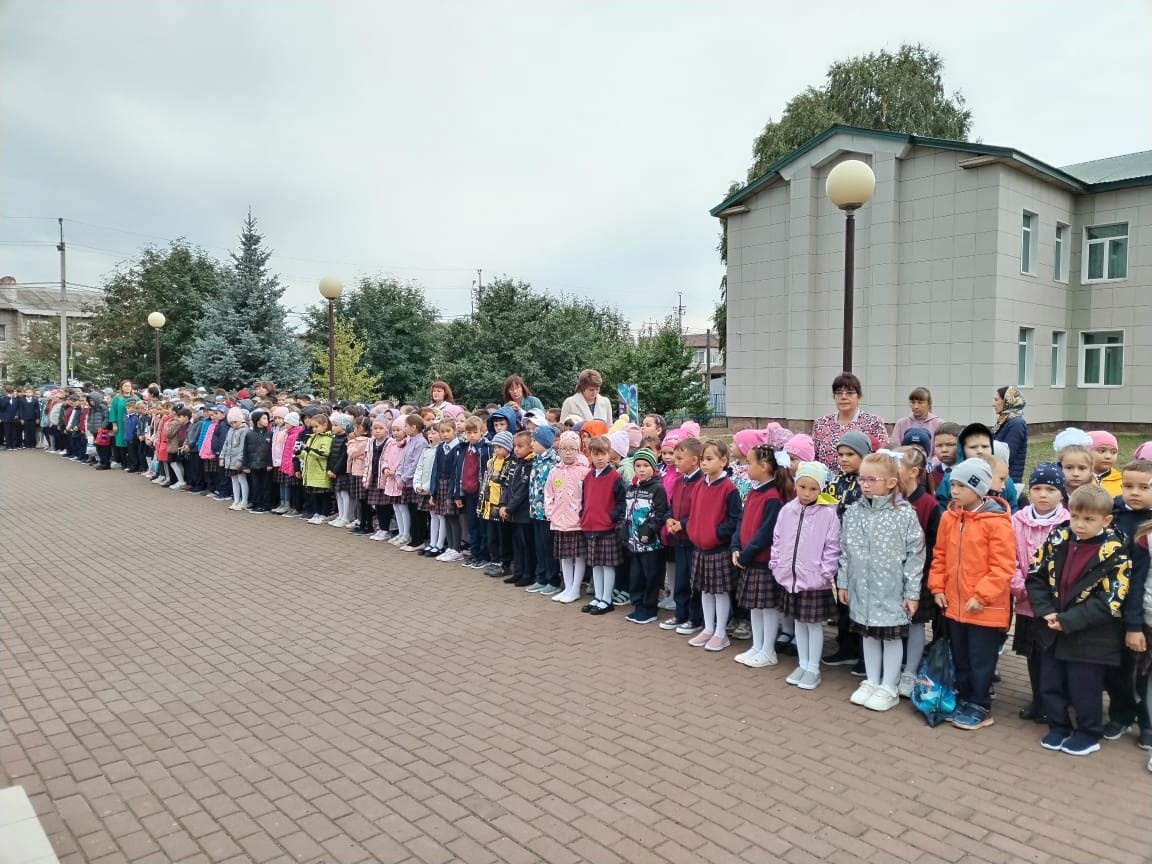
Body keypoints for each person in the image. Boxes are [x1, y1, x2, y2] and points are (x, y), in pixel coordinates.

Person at [1027, 484, 1131, 756]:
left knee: (1084, 687)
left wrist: (1069, 620)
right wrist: (1045, 610)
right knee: (1050, 683)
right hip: (1052, 628)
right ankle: (1058, 726)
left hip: (1091, 636)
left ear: (1106, 520)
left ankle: (1088, 733)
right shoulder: (1058, 538)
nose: (1079, 524)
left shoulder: (1115, 551)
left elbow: (1111, 599)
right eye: (1074, 517)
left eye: (1088, 519)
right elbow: (1036, 574)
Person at [929, 457, 1015, 731]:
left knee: (981, 660)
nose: (954, 491)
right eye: (952, 484)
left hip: (982, 608)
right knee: (961, 656)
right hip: (955, 605)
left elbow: (1003, 566)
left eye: (961, 486)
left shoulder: (996, 522)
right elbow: (940, 555)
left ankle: (981, 705)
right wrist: (937, 587)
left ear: (978, 488)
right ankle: (965, 698)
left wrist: (982, 596)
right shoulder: (949, 517)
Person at [837, 451, 925, 711]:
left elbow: (915, 556)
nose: (864, 484)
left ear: (890, 482)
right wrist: (843, 582)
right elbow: (845, 550)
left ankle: (889, 685)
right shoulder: (854, 512)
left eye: (871, 479)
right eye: (861, 479)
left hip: (891, 591)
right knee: (869, 635)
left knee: (890, 638)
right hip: (862, 589)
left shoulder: (905, 515)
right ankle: (873, 680)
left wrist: (912, 593)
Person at [1011, 462, 1069, 723]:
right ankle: (1037, 699)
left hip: (1054, 606)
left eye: (1050, 489)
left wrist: (1050, 596)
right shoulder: (1017, 520)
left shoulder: (1067, 523)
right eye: (1037, 488)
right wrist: (1020, 587)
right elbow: (1008, 558)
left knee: (1051, 656)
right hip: (1026, 602)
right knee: (1033, 655)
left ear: (1061, 493)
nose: (1043, 494)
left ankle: (1053, 702)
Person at [1103, 459, 1152, 745]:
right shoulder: (1113, 514)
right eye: (1128, 486)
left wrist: (1133, 624)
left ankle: (1146, 724)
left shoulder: (1147, 529)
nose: (1135, 492)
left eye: (1144, 487)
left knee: (1143, 674)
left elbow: (1137, 581)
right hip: (1107, 610)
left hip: (1136, 613)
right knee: (1115, 670)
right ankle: (1120, 716)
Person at [685, 440, 742, 651]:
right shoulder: (700, 485)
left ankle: (720, 632)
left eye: (709, 459)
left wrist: (716, 533)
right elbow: (693, 513)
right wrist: (693, 530)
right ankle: (708, 628)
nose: (704, 463)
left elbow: (735, 519)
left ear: (723, 461)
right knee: (705, 590)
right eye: (702, 459)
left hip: (718, 548)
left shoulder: (729, 488)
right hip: (700, 547)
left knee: (720, 592)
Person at [894, 445, 942, 697]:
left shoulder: (928, 504)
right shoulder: (891, 499)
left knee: (914, 624)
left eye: (897, 466)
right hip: (891, 574)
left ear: (913, 471)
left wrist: (921, 571)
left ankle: (910, 672)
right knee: (893, 622)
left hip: (917, 576)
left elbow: (934, 546)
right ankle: (895, 668)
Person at [660, 437, 705, 635]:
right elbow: (671, 505)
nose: (675, 461)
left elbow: (701, 511)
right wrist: (669, 518)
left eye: (679, 458)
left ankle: (695, 618)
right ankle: (680, 613)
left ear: (694, 460)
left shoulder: (701, 482)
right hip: (678, 539)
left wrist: (684, 524)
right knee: (680, 579)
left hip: (693, 540)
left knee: (694, 581)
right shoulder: (679, 481)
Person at [620, 447, 668, 624]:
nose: (641, 469)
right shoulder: (631, 489)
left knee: (651, 576)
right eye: (638, 465)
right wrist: (622, 528)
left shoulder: (657, 488)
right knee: (636, 576)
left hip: (650, 543)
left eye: (646, 466)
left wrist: (649, 529)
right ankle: (638, 605)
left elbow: (661, 513)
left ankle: (650, 608)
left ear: (653, 468)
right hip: (633, 543)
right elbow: (626, 512)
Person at [580, 435, 626, 615]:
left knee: (607, 565)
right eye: (595, 454)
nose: (599, 458)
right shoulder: (588, 477)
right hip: (590, 526)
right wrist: (583, 516)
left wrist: (610, 518)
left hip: (606, 528)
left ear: (609, 454)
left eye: (603, 454)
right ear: (590, 455)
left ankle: (607, 599)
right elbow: (585, 500)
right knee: (596, 565)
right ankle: (598, 597)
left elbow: (621, 503)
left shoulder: (615, 477)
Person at [545, 430, 590, 603]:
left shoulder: (584, 472)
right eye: (564, 449)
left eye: (572, 449)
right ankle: (567, 587)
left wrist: (583, 515)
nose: (568, 452)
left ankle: (575, 588)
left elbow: (588, 496)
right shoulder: (554, 472)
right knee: (564, 556)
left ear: (578, 450)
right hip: (559, 521)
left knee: (578, 555)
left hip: (577, 522)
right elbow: (548, 493)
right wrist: (551, 513)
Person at [811, 372, 887, 471]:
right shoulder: (821, 424)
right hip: (825, 479)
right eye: (839, 393)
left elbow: (882, 458)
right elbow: (813, 457)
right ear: (834, 396)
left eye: (850, 393)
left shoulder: (874, 422)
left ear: (859, 396)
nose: (844, 397)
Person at [525, 425, 560, 595]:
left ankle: (553, 580)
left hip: (548, 514)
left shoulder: (554, 462)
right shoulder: (537, 460)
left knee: (548, 547)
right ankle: (542, 577)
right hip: (536, 512)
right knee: (539, 546)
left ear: (544, 442)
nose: (531, 444)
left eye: (534, 440)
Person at [500, 430, 537, 587]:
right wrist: (503, 504)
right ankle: (518, 572)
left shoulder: (530, 464)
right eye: (515, 446)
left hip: (523, 513)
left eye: (520, 446)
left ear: (530, 446)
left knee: (526, 545)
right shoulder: (515, 462)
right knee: (517, 544)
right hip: (512, 513)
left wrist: (509, 508)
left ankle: (528, 574)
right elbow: (506, 485)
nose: (516, 449)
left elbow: (522, 491)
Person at [455, 417, 492, 569]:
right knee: (472, 526)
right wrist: (458, 494)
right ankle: (474, 553)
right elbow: (459, 472)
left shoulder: (486, 448)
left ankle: (484, 556)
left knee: (483, 527)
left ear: (481, 431)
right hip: (468, 493)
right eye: (468, 432)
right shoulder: (464, 449)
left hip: (481, 494)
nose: (471, 436)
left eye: (475, 432)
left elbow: (489, 471)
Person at [480, 430, 515, 578]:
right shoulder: (491, 462)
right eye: (494, 447)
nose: (496, 450)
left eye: (499, 447)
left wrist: (503, 504)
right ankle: (495, 560)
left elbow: (506, 485)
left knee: (503, 537)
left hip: (501, 506)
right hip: (489, 505)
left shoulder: (511, 463)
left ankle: (505, 563)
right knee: (492, 536)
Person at [396, 414, 429, 550]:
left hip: (414, 482)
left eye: (406, 426)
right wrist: (399, 475)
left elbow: (415, 463)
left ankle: (418, 540)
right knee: (411, 510)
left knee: (417, 512)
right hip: (407, 482)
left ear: (414, 427)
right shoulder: (410, 440)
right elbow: (404, 460)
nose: (404, 428)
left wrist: (404, 478)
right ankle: (413, 538)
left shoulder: (421, 442)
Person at [299, 413, 334, 524]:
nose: (314, 429)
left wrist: (308, 450)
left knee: (323, 495)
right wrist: (299, 453)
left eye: (316, 426)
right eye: (312, 427)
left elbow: (324, 454)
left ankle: (324, 514)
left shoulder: (327, 438)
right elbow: (306, 454)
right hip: (311, 471)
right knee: (314, 495)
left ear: (324, 425)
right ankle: (316, 513)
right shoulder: (312, 437)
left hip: (320, 471)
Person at [363, 415, 393, 540]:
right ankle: (381, 528)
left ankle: (386, 529)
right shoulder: (370, 442)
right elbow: (367, 460)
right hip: (374, 476)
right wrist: (366, 476)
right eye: (375, 428)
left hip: (385, 478)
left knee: (386, 505)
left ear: (386, 429)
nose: (377, 431)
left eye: (381, 428)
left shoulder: (390, 442)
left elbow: (389, 459)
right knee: (377, 505)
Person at [992, 385, 1028, 484]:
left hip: (1008, 480)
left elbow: (1007, 455)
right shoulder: (1004, 421)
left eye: (996, 400)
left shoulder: (1016, 423)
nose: (993, 404)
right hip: (1000, 477)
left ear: (1007, 401)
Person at [244, 409, 275, 513]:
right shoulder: (249, 434)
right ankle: (256, 503)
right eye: (264, 418)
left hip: (266, 465)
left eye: (267, 418)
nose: (267, 421)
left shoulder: (270, 434)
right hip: (253, 464)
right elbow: (245, 450)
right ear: (257, 420)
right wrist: (245, 465)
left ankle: (266, 505)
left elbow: (271, 450)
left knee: (266, 486)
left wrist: (270, 463)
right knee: (255, 485)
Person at [220, 407, 250, 510]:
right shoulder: (230, 430)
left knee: (242, 479)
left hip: (238, 460)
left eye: (235, 422)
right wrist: (222, 457)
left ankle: (244, 501)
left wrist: (240, 459)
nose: (233, 424)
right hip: (229, 459)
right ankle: (236, 500)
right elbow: (226, 444)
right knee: (234, 480)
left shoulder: (244, 430)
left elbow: (243, 447)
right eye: (231, 423)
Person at [326, 415, 353, 528]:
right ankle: (340, 515)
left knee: (344, 493)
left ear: (344, 426)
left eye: (336, 425)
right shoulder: (334, 438)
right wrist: (329, 468)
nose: (333, 427)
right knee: (338, 494)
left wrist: (335, 470)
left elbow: (343, 457)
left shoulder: (346, 439)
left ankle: (346, 517)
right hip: (334, 471)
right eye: (333, 425)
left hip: (342, 472)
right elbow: (330, 455)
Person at [930, 422, 962, 501]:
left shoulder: (968, 473)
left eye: (950, 445)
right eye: (939, 445)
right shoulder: (930, 475)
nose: (944, 450)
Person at [108, 380, 136, 468]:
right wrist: (114, 424)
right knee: (121, 443)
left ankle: (132, 463)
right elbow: (113, 412)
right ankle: (124, 463)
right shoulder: (116, 399)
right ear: (121, 388)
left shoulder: (136, 398)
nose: (127, 388)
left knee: (131, 444)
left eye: (129, 386)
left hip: (131, 424)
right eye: (125, 386)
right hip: (120, 424)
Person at [1088, 431, 1122, 496]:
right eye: (1102, 451)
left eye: (1113, 452)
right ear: (1086, 452)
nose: (1108, 456)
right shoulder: (1077, 479)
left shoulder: (1123, 480)